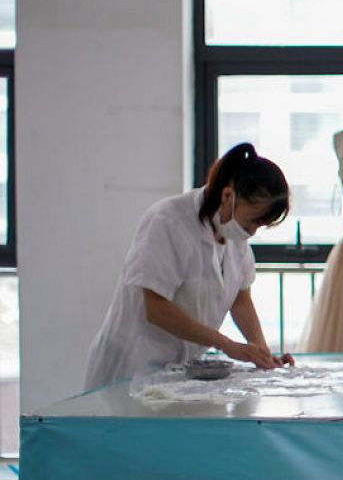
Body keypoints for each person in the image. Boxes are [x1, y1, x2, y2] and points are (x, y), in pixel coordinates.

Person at [84, 143, 294, 389]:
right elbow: (156, 308)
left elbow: (240, 299)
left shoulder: (236, 239)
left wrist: (263, 355)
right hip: (131, 365)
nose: (252, 232)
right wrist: (226, 345)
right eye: (251, 223)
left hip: (178, 369)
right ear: (227, 196)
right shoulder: (167, 221)